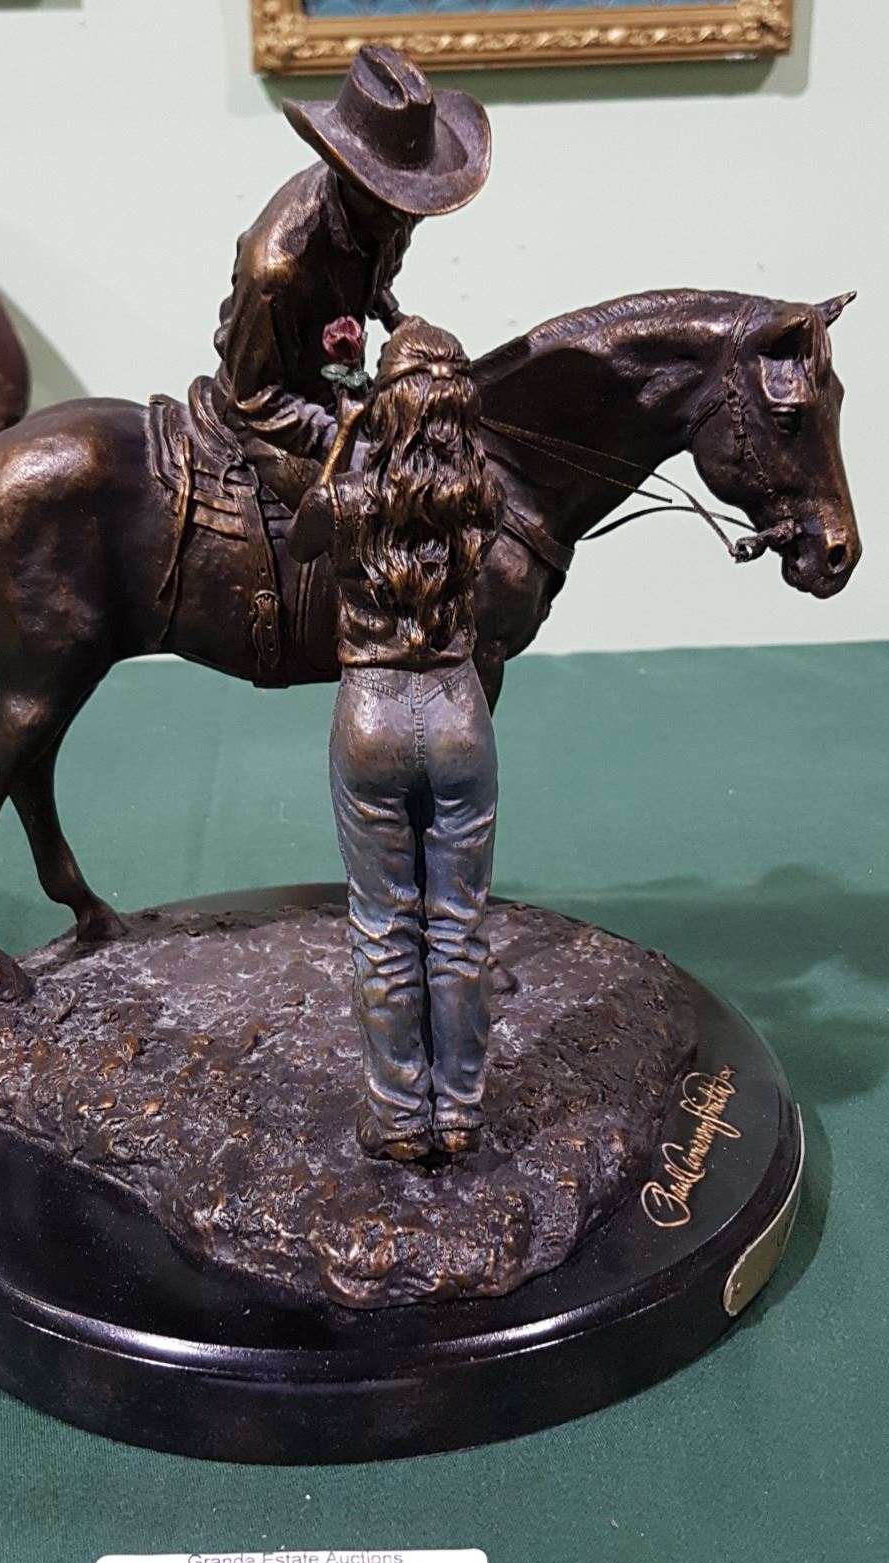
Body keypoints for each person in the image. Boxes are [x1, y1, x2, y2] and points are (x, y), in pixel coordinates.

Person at [288, 318, 505, 1163]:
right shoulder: (482, 499)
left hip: (372, 712)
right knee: (459, 922)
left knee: (383, 925)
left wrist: (347, 439)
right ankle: (461, 1109)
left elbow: (302, 535)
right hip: (457, 708)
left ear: (387, 405)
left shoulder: (346, 502)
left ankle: (400, 1114)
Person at [212, 45, 491, 509]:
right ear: (351, 176)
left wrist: (398, 321)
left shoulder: (391, 212)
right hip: (272, 422)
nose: (405, 216)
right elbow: (253, 398)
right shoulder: (276, 268)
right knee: (372, 509)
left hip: (336, 394)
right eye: (390, 199)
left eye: (412, 200)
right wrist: (346, 442)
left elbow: (369, 277)